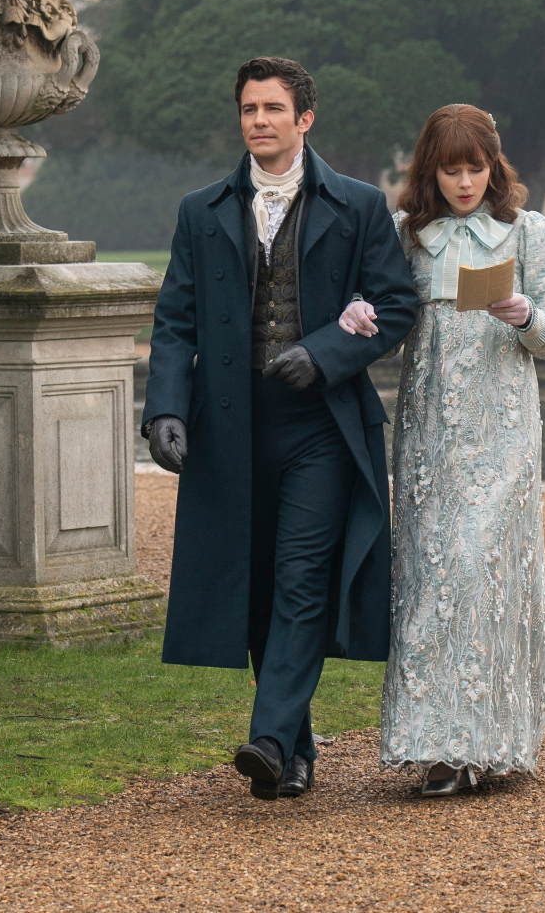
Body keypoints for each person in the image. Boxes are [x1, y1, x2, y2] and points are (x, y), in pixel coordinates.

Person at [142, 56, 418, 801]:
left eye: (272, 108)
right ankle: (292, 751)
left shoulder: (359, 205)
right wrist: (165, 408)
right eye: (247, 109)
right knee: (257, 585)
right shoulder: (200, 210)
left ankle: (266, 737)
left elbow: (395, 306)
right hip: (230, 427)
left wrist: (324, 352)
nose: (257, 120)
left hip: (322, 428)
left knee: (301, 580)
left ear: (305, 119)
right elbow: (174, 322)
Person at [337, 104, 545, 795]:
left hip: (503, 431)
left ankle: (494, 739)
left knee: (482, 572)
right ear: (429, 171)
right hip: (430, 432)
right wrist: (358, 316)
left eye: (476, 167)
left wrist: (526, 316)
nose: (465, 182)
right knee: (433, 580)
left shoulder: (529, 232)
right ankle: (439, 745)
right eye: (451, 168)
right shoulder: (411, 237)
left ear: (494, 167)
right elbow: (390, 331)